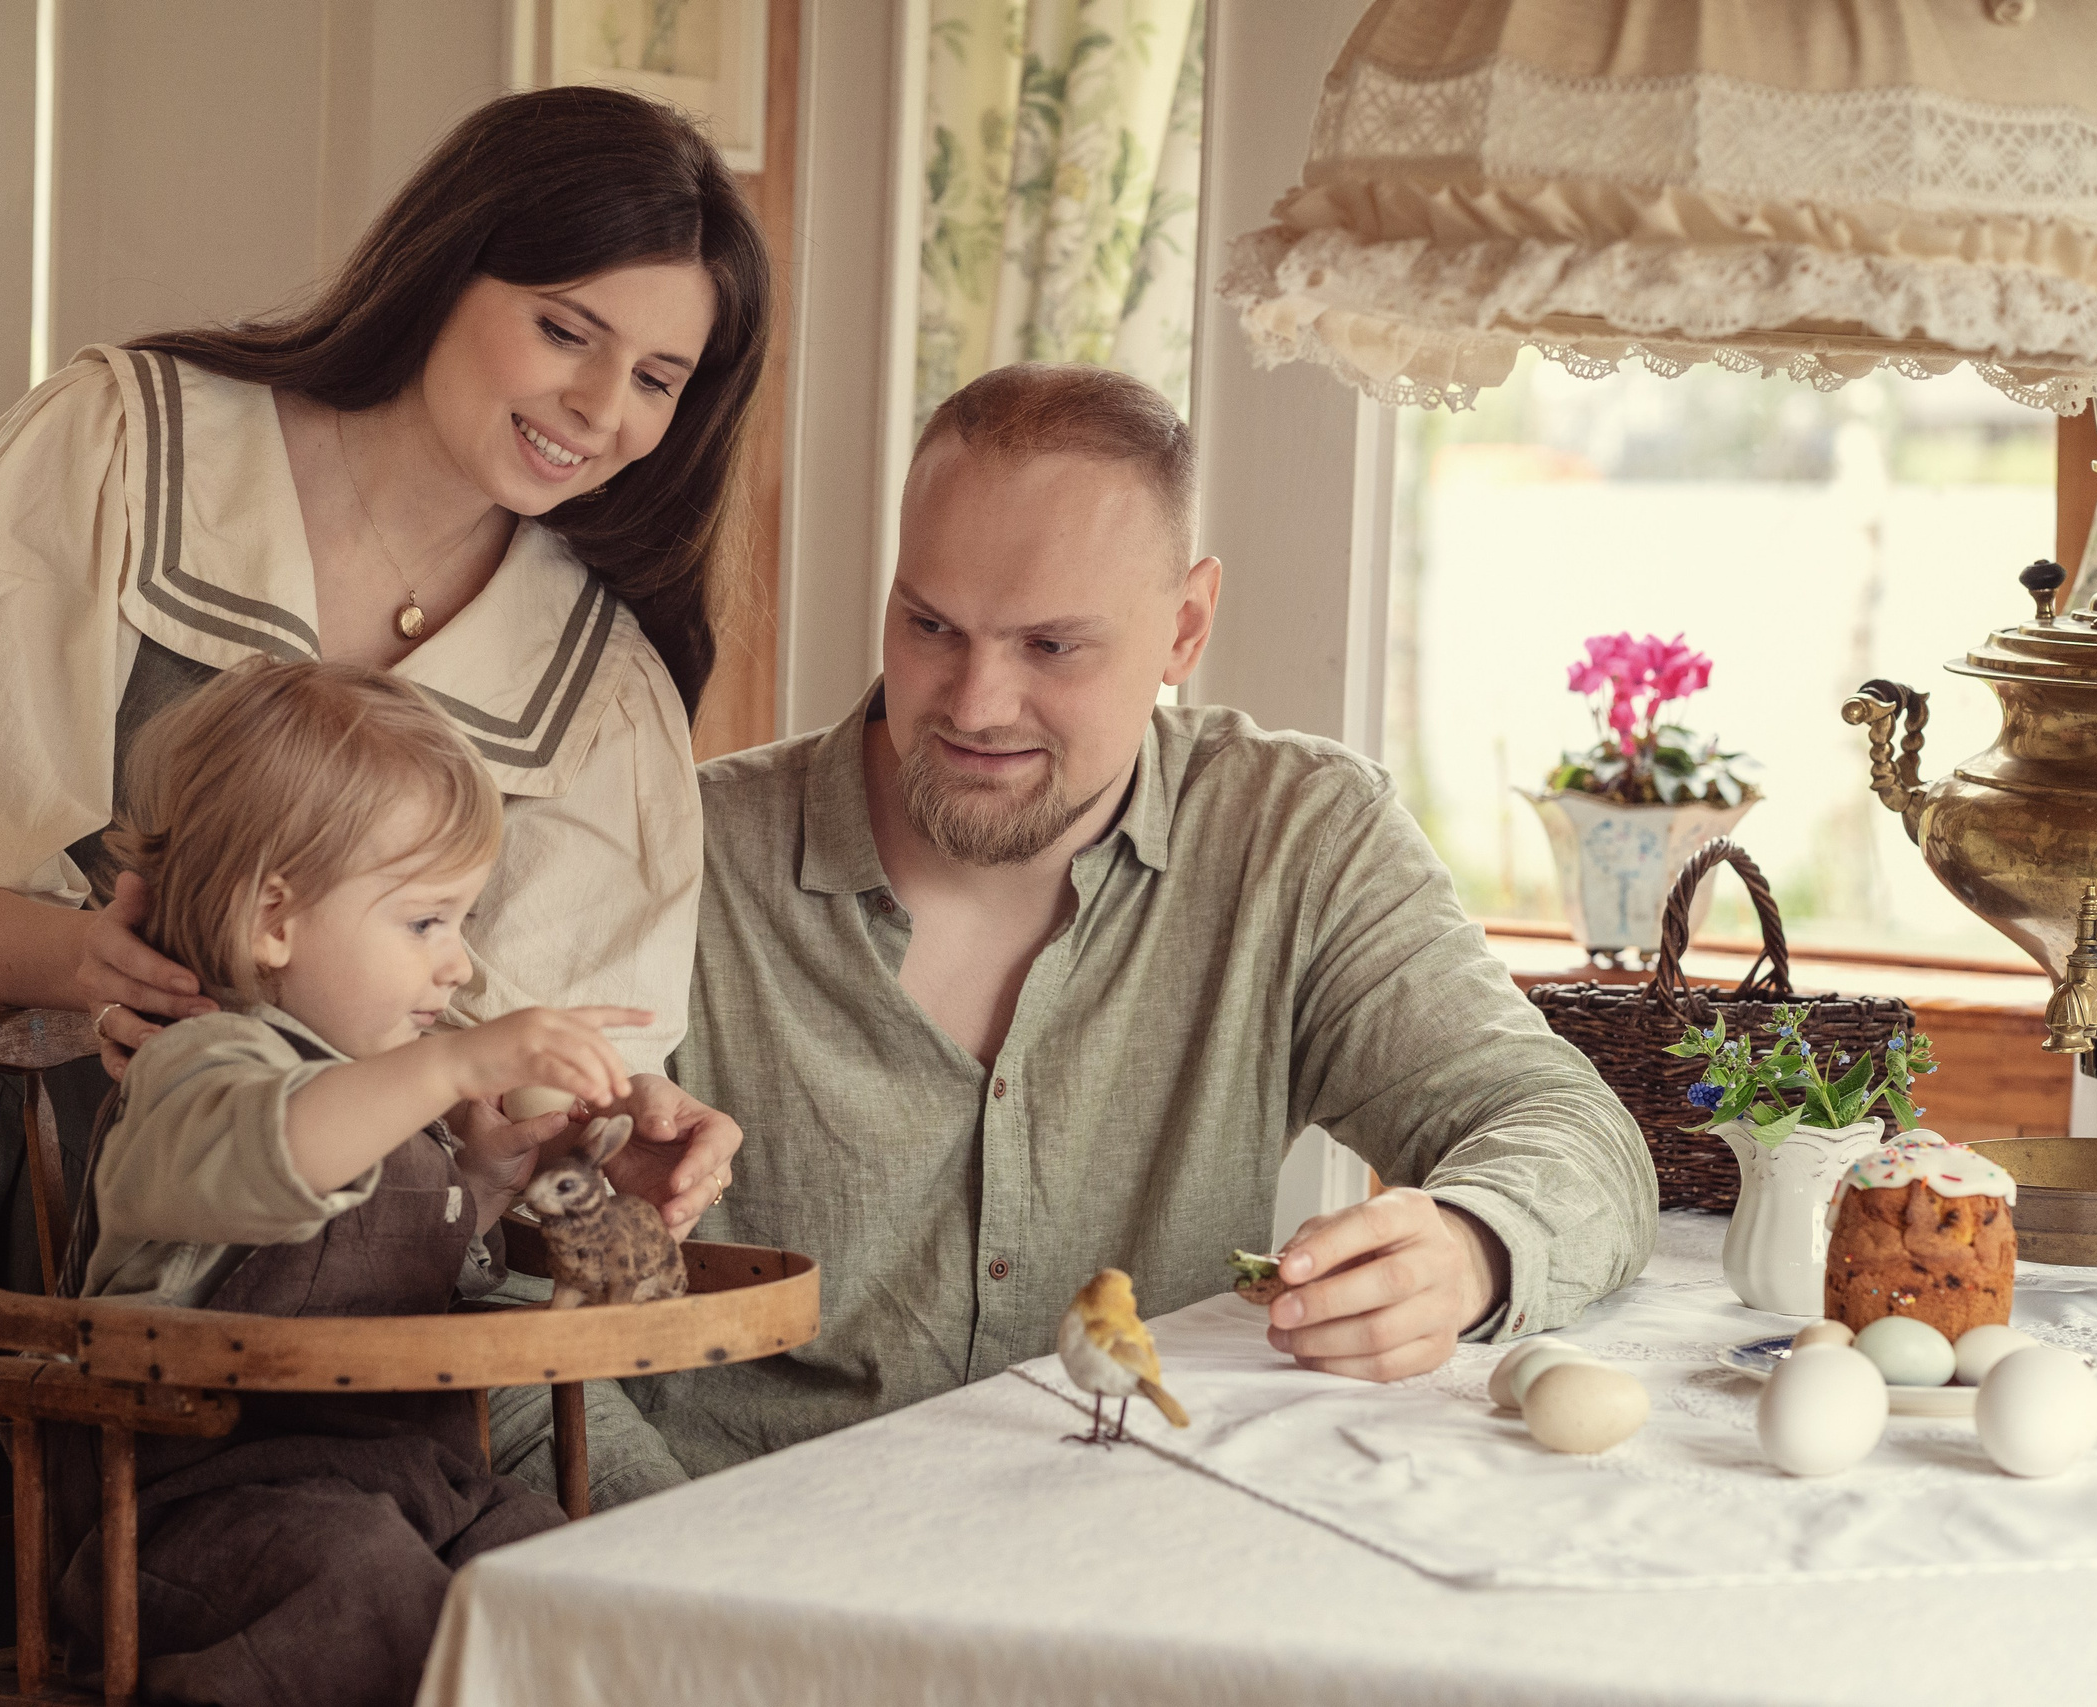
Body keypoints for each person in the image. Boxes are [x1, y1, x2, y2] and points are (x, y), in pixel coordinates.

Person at [0, 87, 751, 1691]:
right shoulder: (134, 447)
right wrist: (83, 957)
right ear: (447, 268)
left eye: (659, 375)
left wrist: (598, 1131)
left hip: (365, 1390)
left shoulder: (599, 686)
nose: (602, 405)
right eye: (564, 328)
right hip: (11, 1237)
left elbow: (484, 1086)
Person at [614, 362, 1657, 1475]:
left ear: (1184, 627)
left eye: (1051, 646)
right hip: (733, 1583)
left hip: (1146, 1571)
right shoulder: (678, 856)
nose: (973, 705)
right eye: (930, 626)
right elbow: (503, 1301)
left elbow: (1572, 1136)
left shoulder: (1295, 836)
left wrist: (1467, 1250)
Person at [52, 656, 637, 1707]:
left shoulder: (370, 1093)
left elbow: (387, 1247)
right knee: (365, 1593)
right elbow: (280, 1154)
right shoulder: (199, 1067)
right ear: (275, 919)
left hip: (410, 1486)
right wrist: (457, 1066)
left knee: (559, 1576)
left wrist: (484, 1184)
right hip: (198, 1519)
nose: (458, 966)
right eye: (427, 922)